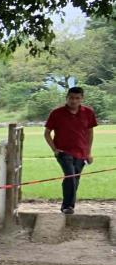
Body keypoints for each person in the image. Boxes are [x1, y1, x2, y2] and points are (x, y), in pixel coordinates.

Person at [44, 86, 98, 215]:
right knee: (70, 176)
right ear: (66, 98)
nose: (73, 101)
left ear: (81, 99)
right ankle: (67, 206)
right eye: (71, 98)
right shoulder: (56, 113)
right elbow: (47, 133)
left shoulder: (88, 113)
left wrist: (88, 152)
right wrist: (55, 149)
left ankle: (68, 204)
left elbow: (90, 133)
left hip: (81, 152)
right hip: (63, 152)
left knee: (75, 178)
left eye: (77, 98)